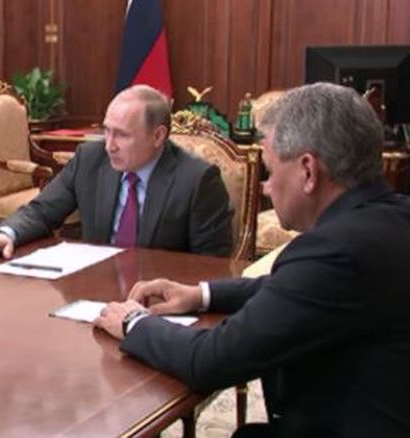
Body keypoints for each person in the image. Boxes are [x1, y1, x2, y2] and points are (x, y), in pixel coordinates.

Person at [95, 83, 410, 437]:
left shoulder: (336, 250)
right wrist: (201, 295)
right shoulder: (392, 217)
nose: (265, 187)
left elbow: (211, 360)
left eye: (270, 171)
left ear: (308, 171)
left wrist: (133, 322)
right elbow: (293, 288)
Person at [0, 85, 233, 263]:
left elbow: (211, 265)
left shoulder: (198, 180)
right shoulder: (90, 159)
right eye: (107, 131)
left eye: (122, 135)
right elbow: (42, 210)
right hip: (96, 288)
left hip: (159, 302)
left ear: (158, 136)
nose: (109, 145)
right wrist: (7, 233)